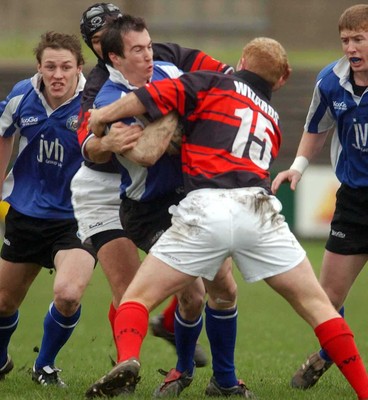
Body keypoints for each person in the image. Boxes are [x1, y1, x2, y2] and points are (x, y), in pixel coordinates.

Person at [85, 36, 368, 399]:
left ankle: (128, 359)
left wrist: (100, 117)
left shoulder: (210, 82)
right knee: (318, 306)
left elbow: (146, 99)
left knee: (136, 300)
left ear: (242, 61)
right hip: (259, 209)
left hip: (206, 208)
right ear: (283, 79)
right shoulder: (272, 117)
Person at [73, 2, 233, 367]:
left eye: (116, 28)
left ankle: (198, 368)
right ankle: (125, 365)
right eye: (97, 40)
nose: (106, 42)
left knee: (211, 281)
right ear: (104, 50)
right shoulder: (102, 87)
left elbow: (218, 76)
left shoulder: (163, 58)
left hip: (175, 190)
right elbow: (98, 148)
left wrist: (234, 82)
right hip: (106, 189)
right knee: (132, 292)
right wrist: (178, 110)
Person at [271, 4, 368, 390]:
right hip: (354, 202)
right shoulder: (331, 80)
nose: (350, 48)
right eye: (345, 40)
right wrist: (297, 166)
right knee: (326, 297)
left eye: (358, 39)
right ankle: (331, 352)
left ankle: (328, 355)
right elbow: (316, 128)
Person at [0, 31, 97, 387]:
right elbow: (3, 132)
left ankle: (45, 365)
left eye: (66, 67)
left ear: (78, 69)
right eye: (50, 66)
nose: (57, 74)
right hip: (26, 214)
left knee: (69, 293)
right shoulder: (22, 95)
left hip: (78, 217)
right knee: (3, 303)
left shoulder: (96, 101)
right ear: (39, 67)